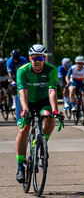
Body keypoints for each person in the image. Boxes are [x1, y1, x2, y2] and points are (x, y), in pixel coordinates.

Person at [14, 44, 61, 183]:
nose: (38, 61)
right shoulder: (22, 70)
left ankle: (40, 143)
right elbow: (22, 92)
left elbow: (52, 91)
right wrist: (24, 109)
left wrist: (55, 110)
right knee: (23, 130)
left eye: (41, 58)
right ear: (30, 58)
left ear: (45, 58)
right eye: (35, 58)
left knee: (49, 118)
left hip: (42, 100)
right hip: (25, 102)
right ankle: (20, 168)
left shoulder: (51, 70)